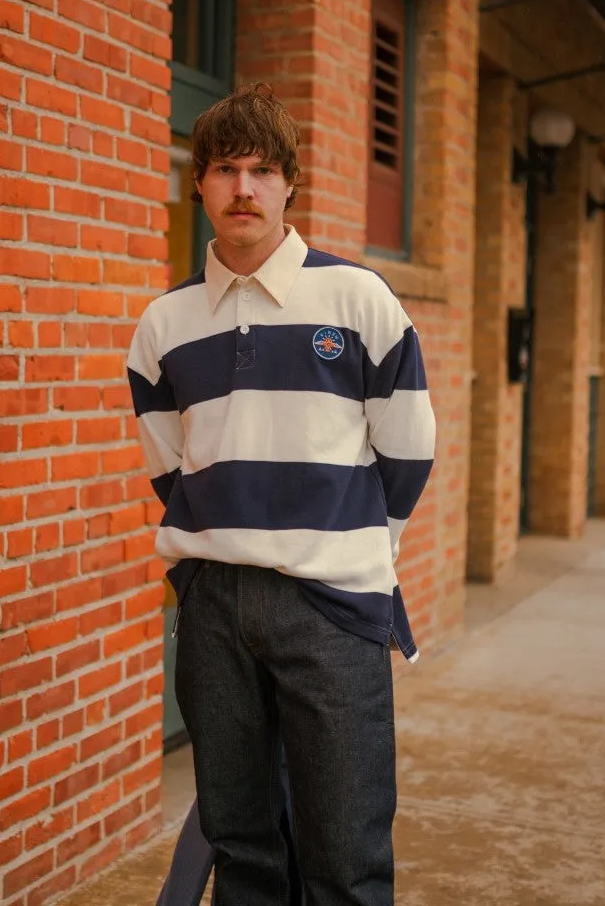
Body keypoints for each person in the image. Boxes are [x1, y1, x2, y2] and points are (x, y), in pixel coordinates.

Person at [127, 83, 435, 906]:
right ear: (199, 185)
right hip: (215, 610)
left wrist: (352, 549)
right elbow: (173, 469)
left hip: (331, 606)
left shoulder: (358, 300)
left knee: (346, 856)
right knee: (242, 849)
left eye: (262, 170)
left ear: (289, 183)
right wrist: (201, 576)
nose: (243, 189)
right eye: (224, 169)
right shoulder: (164, 323)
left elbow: (408, 449)